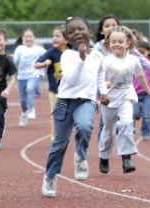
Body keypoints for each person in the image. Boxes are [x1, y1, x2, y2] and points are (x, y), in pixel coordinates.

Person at [41, 17, 103, 198]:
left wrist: (104, 92)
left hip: (86, 100)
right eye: (72, 31)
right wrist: (82, 59)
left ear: (90, 32)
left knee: (84, 126)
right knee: (59, 144)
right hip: (65, 102)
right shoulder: (67, 55)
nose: (77, 33)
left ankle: (80, 156)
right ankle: (50, 176)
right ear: (67, 38)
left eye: (80, 29)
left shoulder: (98, 55)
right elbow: (71, 79)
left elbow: (100, 76)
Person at [94, 14, 150, 142]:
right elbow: (93, 68)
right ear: (101, 31)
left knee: (125, 119)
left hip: (123, 90)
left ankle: (125, 149)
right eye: (107, 26)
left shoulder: (126, 45)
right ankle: (103, 148)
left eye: (114, 25)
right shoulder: (98, 47)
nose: (111, 27)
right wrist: (95, 95)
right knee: (105, 123)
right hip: (106, 90)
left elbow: (141, 60)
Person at [97, 26, 150, 175]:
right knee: (109, 131)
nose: (116, 44)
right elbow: (98, 79)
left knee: (126, 123)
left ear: (127, 43)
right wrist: (104, 88)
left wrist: (148, 90)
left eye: (120, 41)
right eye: (113, 42)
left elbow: (140, 76)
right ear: (108, 44)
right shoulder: (105, 61)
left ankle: (126, 157)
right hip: (109, 99)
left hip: (126, 96)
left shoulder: (133, 60)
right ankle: (104, 157)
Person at [34, 25, 67, 141]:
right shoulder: (51, 53)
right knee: (55, 114)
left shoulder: (71, 52)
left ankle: (64, 132)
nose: (54, 38)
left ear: (66, 39)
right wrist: (44, 64)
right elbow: (36, 64)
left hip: (70, 91)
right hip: (55, 90)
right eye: (53, 36)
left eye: (58, 36)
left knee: (68, 115)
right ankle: (55, 136)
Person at [13, 28, 46, 126]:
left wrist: (45, 63)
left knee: (30, 89)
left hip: (34, 74)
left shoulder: (38, 49)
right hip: (22, 76)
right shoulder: (20, 49)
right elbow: (15, 61)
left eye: (30, 36)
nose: (28, 38)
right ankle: (24, 112)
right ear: (23, 38)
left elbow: (49, 55)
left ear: (34, 38)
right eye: (26, 36)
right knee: (22, 99)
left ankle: (31, 109)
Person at [133, 41, 150, 140]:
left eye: (143, 52)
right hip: (134, 93)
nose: (141, 55)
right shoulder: (133, 63)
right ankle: (134, 123)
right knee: (135, 113)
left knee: (146, 115)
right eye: (139, 52)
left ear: (148, 52)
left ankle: (145, 133)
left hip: (148, 93)